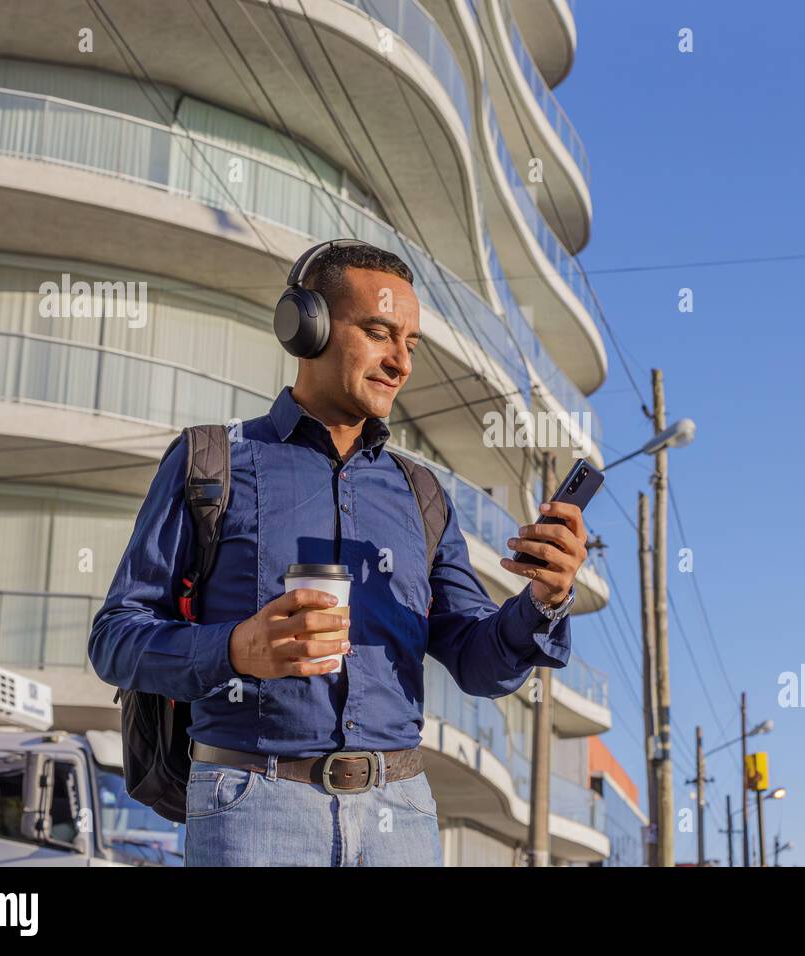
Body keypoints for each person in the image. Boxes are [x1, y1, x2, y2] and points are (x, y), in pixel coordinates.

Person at [89, 240, 588, 866]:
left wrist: (545, 601)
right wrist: (237, 649)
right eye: (379, 333)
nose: (400, 362)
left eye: (410, 343)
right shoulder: (210, 463)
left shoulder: (423, 494)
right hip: (252, 808)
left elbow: (479, 662)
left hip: (400, 816)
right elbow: (115, 639)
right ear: (305, 325)